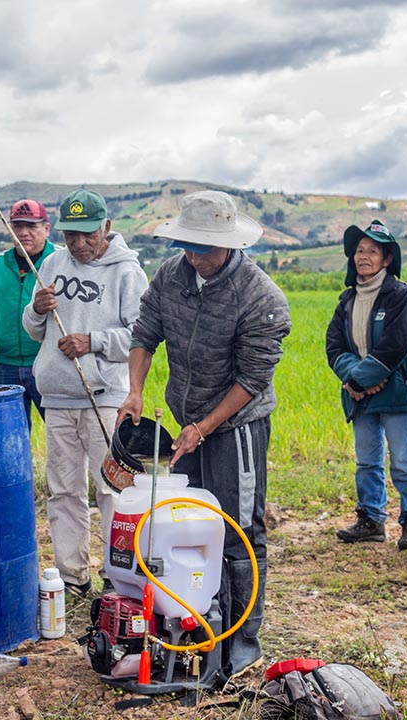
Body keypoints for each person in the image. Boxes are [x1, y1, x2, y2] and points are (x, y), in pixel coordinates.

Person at [118, 190, 291, 680]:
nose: (194, 256)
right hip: (187, 423)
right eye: (188, 245)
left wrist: (204, 427)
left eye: (204, 247)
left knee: (238, 529)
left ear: (231, 245)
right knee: (190, 524)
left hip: (235, 428)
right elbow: (144, 332)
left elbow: (252, 379)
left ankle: (241, 641)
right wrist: (135, 391)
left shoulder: (261, 297)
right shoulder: (172, 274)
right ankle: (197, 623)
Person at [22, 189, 148, 596]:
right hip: (57, 397)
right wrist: (37, 309)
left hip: (105, 397)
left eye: (86, 234)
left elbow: (141, 335)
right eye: (70, 234)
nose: (77, 243)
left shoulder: (127, 273)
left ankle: (120, 575)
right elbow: (33, 328)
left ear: (106, 227)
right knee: (64, 491)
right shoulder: (53, 263)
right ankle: (72, 577)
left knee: (113, 489)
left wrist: (92, 341)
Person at [325, 220, 407, 551]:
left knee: (404, 461)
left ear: (387, 259)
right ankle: (371, 520)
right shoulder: (347, 300)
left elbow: (395, 346)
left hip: (397, 393)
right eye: (359, 250)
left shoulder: (402, 297)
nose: (363, 256)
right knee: (367, 460)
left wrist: (359, 378)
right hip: (360, 396)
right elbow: (333, 346)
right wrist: (354, 378)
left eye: (372, 251)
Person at [0, 199, 57, 428]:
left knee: (61, 434)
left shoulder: (61, 262)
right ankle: (21, 467)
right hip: (4, 367)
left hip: (48, 364)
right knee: (7, 434)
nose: (24, 232)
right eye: (17, 226)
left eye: (32, 226)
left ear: (46, 229)